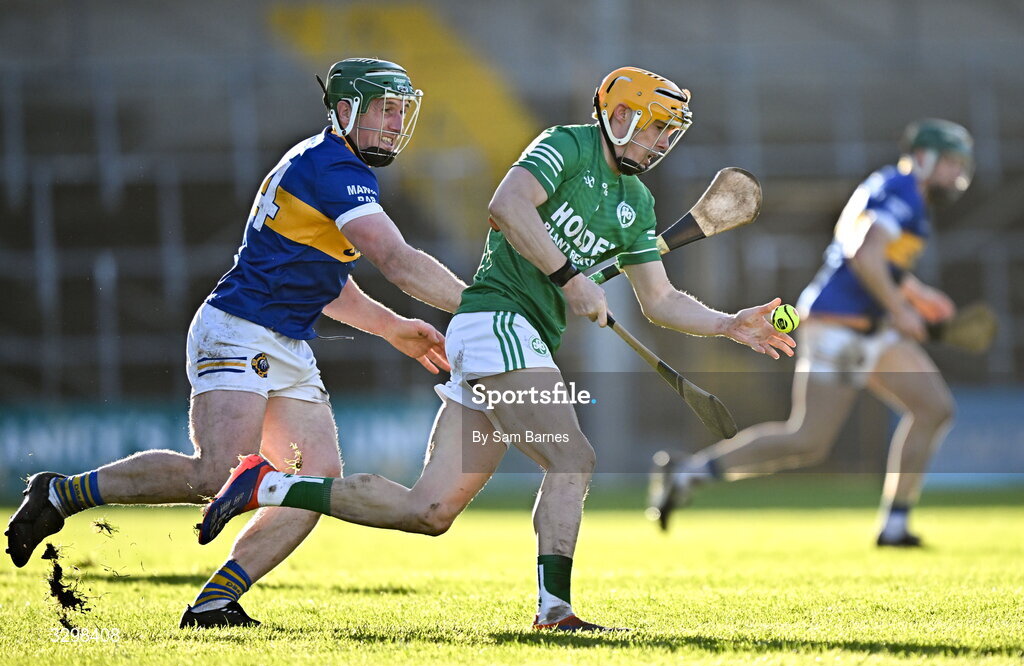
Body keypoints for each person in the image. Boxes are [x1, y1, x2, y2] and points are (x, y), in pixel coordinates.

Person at [196, 66, 796, 631]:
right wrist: (568, 276)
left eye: (672, 132)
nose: (664, 141)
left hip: (519, 333)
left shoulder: (636, 205)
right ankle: (555, 611)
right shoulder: (567, 145)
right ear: (619, 117)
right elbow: (507, 207)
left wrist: (729, 323)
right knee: (573, 459)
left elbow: (660, 300)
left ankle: (266, 487)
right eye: (657, 126)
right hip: (497, 321)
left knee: (427, 512)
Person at [5, 57, 468, 627]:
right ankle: (62, 493)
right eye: (384, 110)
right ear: (345, 110)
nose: (396, 123)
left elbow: (326, 285)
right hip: (239, 326)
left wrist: (392, 327)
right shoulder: (334, 169)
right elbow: (396, 260)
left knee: (314, 486)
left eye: (402, 111)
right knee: (216, 474)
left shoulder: (333, 165)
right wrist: (480, 305)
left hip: (289, 344)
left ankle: (215, 601)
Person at [648, 119, 974, 548]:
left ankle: (895, 525)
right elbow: (864, 255)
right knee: (806, 439)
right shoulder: (902, 191)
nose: (956, 174)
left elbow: (869, 256)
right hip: (840, 327)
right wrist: (902, 309)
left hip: (868, 328)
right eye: (950, 163)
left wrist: (915, 292)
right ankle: (688, 473)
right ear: (925, 158)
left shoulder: (897, 187)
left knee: (933, 407)